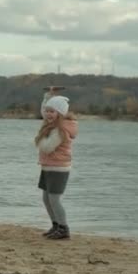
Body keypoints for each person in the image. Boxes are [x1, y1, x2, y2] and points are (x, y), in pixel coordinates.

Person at [35, 91, 78, 240]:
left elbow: (46, 148)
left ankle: (63, 228)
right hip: (48, 167)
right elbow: (44, 110)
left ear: (60, 113)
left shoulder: (60, 130)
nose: (48, 114)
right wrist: (47, 98)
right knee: (46, 199)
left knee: (54, 199)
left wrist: (38, 140)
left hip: (59, 168)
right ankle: (55, 225)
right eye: (47, 111)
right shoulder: (51, 124)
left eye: (52, 111)